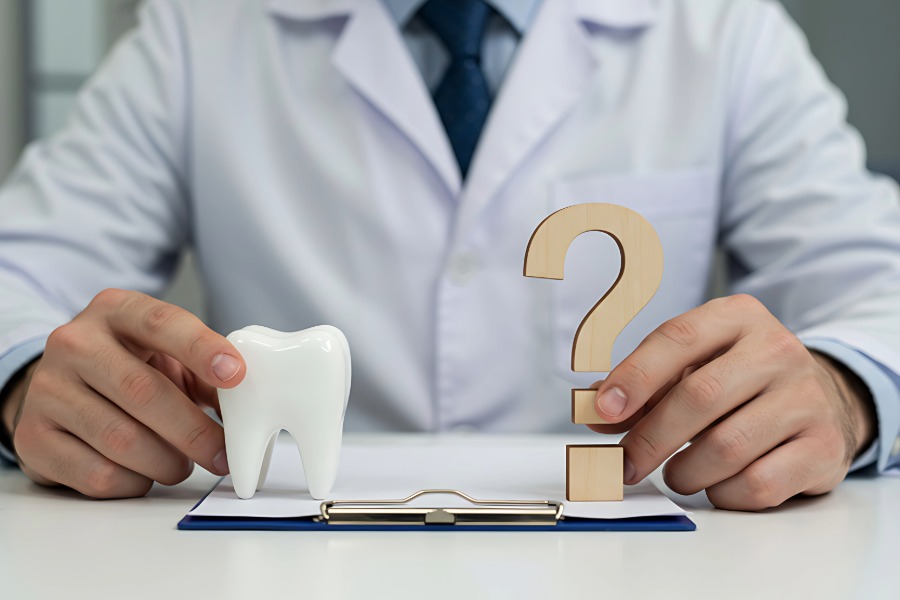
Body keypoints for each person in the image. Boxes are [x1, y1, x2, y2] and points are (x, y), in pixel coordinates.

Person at [1, 0, 899, 511]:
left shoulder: (721, 30)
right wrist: (27, 381)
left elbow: (879, 289)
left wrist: (844, 389)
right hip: (293, 561)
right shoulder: (197, 32)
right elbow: (19, 278)